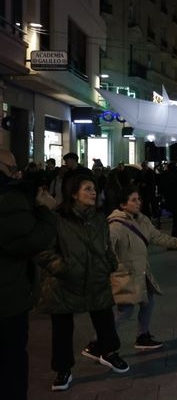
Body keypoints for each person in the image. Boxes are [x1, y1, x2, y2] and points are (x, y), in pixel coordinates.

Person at [36, 176, 129, 392]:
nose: (94, 192)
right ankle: (63, 369)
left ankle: (109, 352)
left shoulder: (98, 218)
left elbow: (106, 246)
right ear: (73, 193)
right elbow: (44, 251)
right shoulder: (57, 219)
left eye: (94, 189)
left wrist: (110, 263)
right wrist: (63, 268)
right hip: (64, 283)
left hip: (96, 277)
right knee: (62, 328)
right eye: (88, 189)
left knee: (104, 317)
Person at [0, 149, 57, 400]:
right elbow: (27, 241)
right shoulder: (9, 197)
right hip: (7, 296)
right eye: (13, 168)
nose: (17, 173)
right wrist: (45, 211)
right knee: (11, 362)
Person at [107, 187, 177, 351]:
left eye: (139, 199)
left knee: (148, 303)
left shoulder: (142, 220)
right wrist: (117, 266)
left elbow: (156, 236)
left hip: (142, 272)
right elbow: (106, 248)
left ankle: (142, 336)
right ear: (123, 204)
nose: (139, 203)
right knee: (125, 311)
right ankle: (99, 341)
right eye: (134, 200)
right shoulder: (115, 225)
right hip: (127, 274)